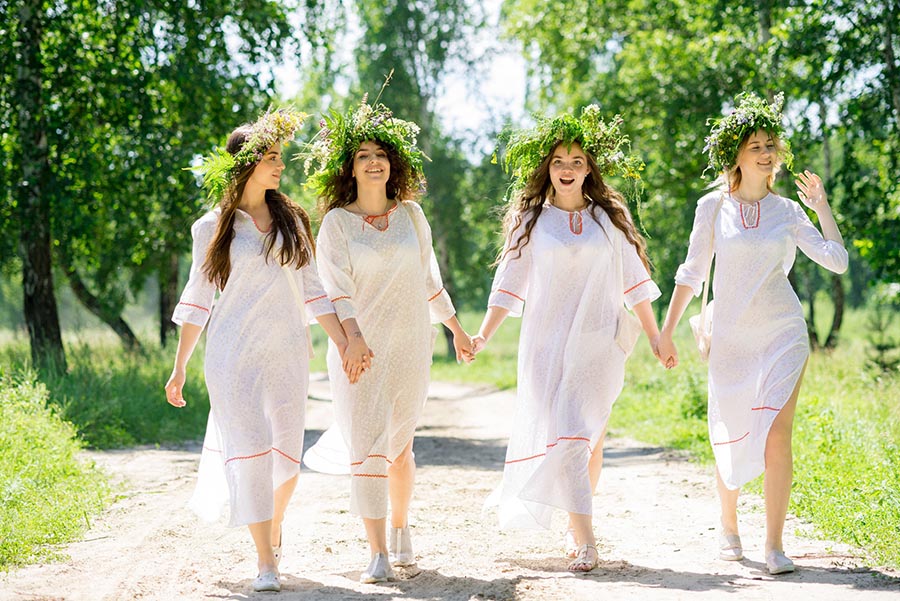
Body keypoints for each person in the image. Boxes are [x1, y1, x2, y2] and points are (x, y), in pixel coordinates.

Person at [656, 92, 848, 575]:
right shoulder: (712, 207)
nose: (766, 153)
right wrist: (666, 332)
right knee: (732, 429)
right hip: (732, 339)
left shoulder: (788, 211)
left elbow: (837, 261)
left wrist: (822, 207)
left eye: (770, 145)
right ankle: (728, 526)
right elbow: (691, 273)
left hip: (783, 333)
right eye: (755, 146)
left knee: (777, 433)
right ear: (735, 156)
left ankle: (775, 545)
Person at [164, 108, 351, 593]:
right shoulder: (212, 227)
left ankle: (273, 525)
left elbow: (314, 292)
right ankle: (266, 560)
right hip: (231, 358)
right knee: (250, 453)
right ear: (245, 164)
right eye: (271, 157)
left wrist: (345, 343)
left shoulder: (294, 222)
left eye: (279, 157)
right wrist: (179, 367)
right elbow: (198, 299)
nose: (280, 165)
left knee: (286, 459)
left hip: (287, 355)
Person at [471, 106, 663, 572]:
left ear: (589, 168)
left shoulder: (608, 219)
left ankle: (579, 529)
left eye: (577, 161)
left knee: (586, 440)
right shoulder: (531, 220)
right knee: (571, 438)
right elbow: (509, 283)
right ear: (547, 168)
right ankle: (587, 540)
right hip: (547, 347)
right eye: (559, 161)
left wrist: (658, 338)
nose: (568, 168)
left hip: (599, 345)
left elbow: (635, 281)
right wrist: (482, 335)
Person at [300, 97, 474, 583]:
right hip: (359, 351)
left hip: (410, 346)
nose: (373, 162)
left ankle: (400, 528)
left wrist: (457, 330)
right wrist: (352, 340)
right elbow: (336, 289)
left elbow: (429, 281)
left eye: (380, 154)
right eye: (363, 156)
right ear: (350, 168)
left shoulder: (411, 216)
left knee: (400, 448)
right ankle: (377, 551)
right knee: (368, 446)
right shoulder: (336, 223)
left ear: (393, 163)